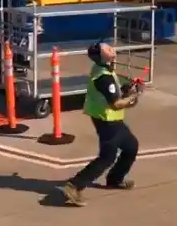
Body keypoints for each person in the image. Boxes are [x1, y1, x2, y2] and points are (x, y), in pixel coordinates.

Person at [60, 42, 142, 207]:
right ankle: (74, 185)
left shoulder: (103, 69)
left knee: (131, 146)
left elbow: (111, 94)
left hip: (111, 120)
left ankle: (114, 179)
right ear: (101, 56)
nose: (112, 49)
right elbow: (115, 104)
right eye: (108, 49)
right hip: (107, 121)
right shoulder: (104, 77)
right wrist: (134, 96)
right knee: (107, 157)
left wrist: (126, 90)